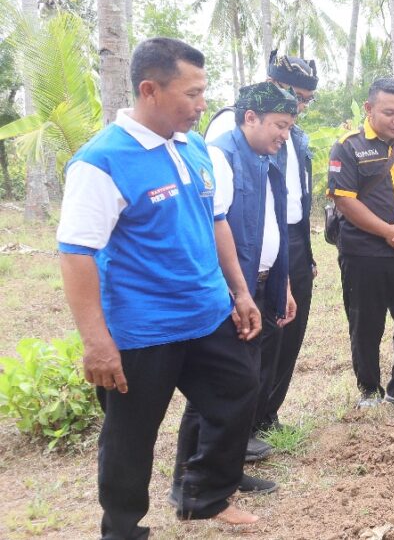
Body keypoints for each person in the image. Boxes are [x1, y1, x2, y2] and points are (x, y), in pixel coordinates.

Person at [57, 37, 262, 538]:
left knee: (239, 391)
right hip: (142, 330)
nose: (201, 105)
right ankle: (123, 529)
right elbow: (77, 252)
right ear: (149, 90)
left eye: (203, 92)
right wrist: (96, 341)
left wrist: (239, 291)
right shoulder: (101, 162)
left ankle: (204, 496)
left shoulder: (194, 149)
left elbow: (215, 222)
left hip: (206, 313)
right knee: (131, 437)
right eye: (191, 94)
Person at [172, 82, 300, 501]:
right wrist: (236, 293)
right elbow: (213, 228)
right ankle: (190, 480)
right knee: (217, 386)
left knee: (245, 382)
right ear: (250, 118)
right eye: (280, 126)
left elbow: (272, 225)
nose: (285, 136)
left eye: (289, 127)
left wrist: (282, 283)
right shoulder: (219, 157)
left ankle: (227, 469)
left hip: (260, 284)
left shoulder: (264, 157)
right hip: (231, 291)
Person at [205, 52, 320, 437]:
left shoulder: (294, 133)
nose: (300, 107)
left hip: (288, 242)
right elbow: (222, 205)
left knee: (285, 331)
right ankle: (242, 425)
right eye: (296, 96)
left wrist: (302, 254)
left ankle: (264, 415)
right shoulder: (233, 126)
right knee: (247, 343)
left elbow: (292, 196)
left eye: (306, 101)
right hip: (244, 245)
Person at [329, 78, 394, 412]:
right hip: (364, 252)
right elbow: (345, 201)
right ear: (369, 108)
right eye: (389, 112)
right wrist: (389, 232)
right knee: (366, 323)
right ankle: (370, 391)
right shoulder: (348, 147)